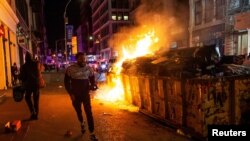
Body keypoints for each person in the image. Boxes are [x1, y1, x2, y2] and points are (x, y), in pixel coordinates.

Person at [64, 52, 98, 141]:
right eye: (81, 59)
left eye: (84, 58)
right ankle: (82, 123)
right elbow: (66, 83)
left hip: (85, 95)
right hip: (75, 96)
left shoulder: (89, 69)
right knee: (79, 112)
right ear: (77, 59)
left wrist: (93, 85)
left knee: (89, 113)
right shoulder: (70, 69)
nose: (83, 60)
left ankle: (92, 133)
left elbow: (92, 80)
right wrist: (71, 94)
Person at [19, 52, 40, 120]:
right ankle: (36, 115)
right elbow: (38, 73)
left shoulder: (24, 66)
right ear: (31, 57)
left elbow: (22, 77)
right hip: (36, 84)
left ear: (25, 58)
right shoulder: (35, 64)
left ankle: (32, 111)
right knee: (36, 100)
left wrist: (19, 76)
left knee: (27, 98)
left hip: (28, 85)